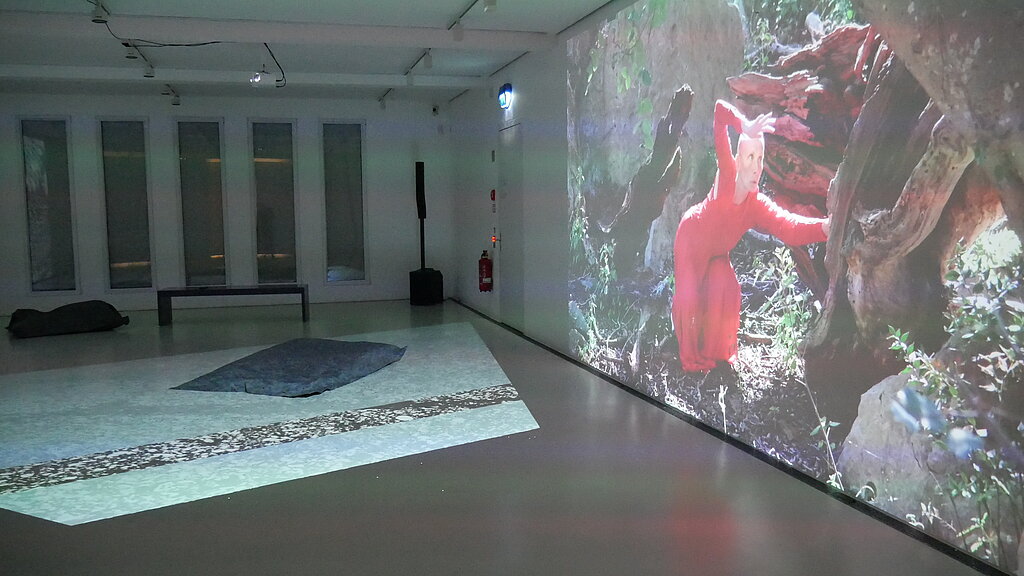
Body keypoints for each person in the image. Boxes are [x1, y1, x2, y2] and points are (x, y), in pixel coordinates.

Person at [672, 99, 830, 373]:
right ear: (737, 160)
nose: (756, 167)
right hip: (691, 241)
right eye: (750, 157)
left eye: (760, 158)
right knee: (689, 297)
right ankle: (690, 358)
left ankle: (714, 353)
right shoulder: (727, 176)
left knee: (726, 286)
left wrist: (824, 228)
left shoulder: (756, 205)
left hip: (717, 252)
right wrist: (743, 124)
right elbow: (719, 111)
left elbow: (789, 227)